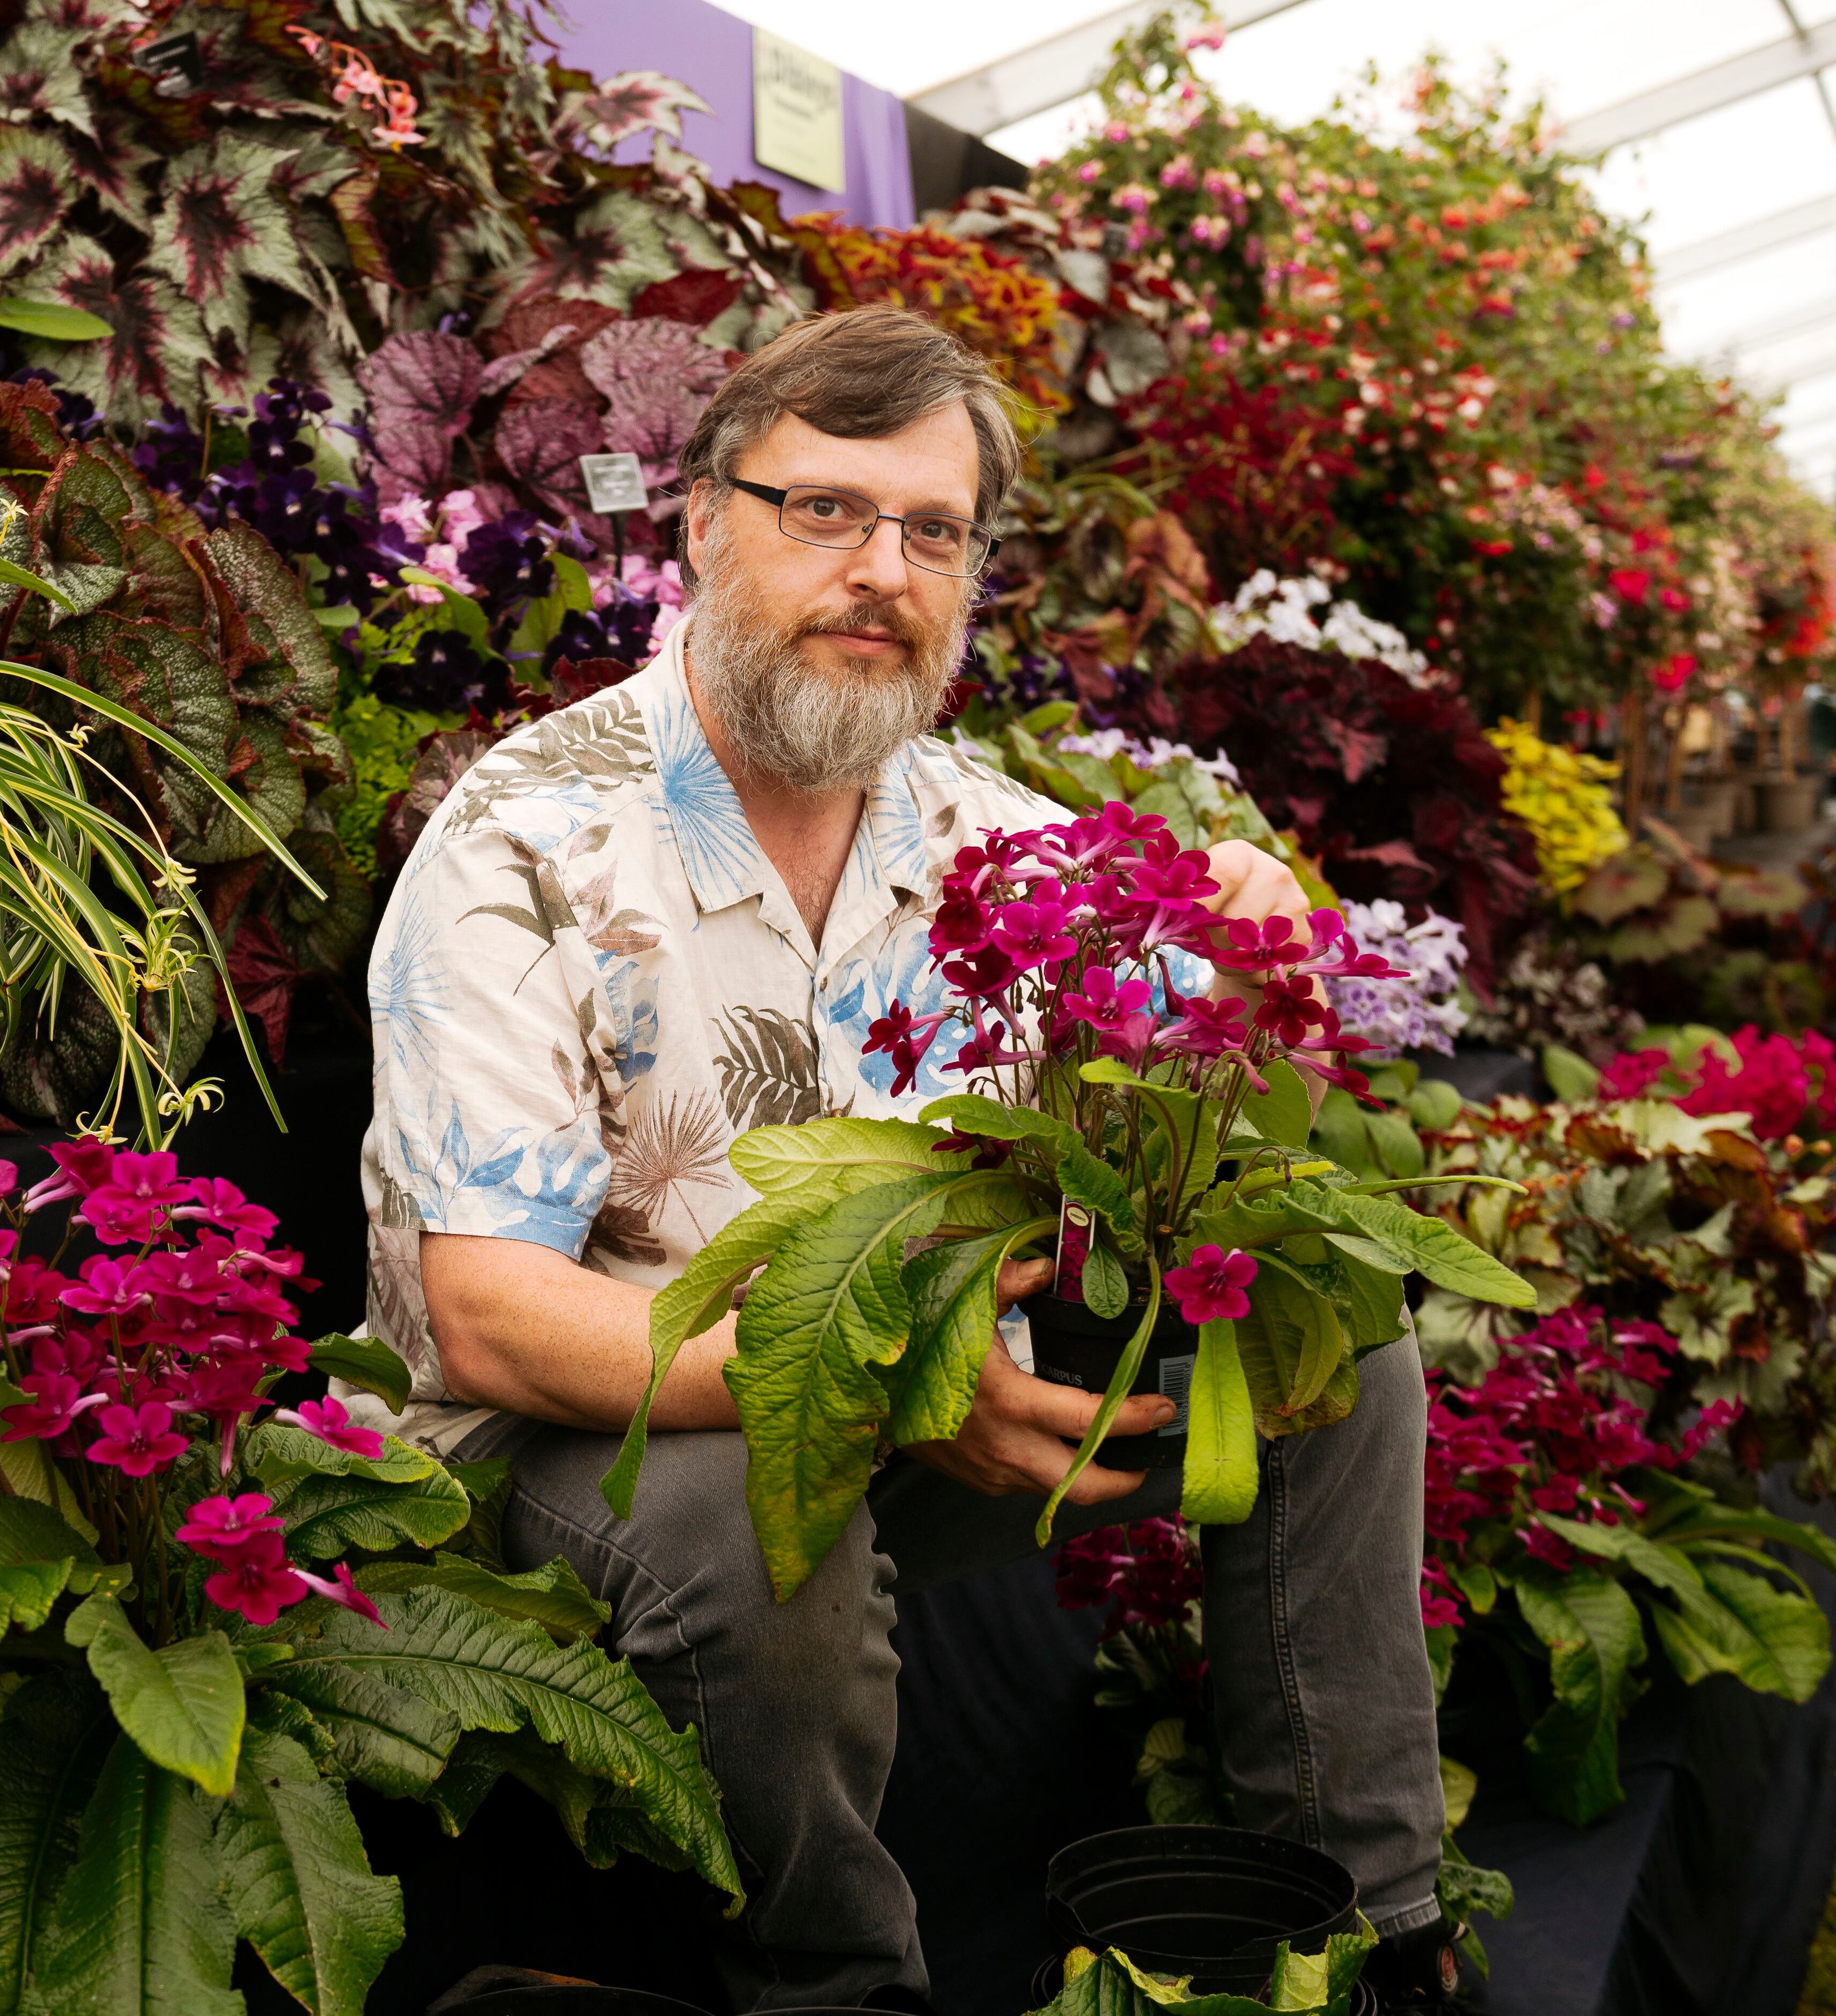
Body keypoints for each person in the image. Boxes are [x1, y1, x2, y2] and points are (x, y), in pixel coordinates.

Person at [352, 305, 1456, 2011]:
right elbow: (491, 1317)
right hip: (578, 1454)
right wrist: (885, 1384)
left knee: (1325, 1339)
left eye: (932, 530)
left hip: (915, 1411)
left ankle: (1359, 1928)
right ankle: (835, 1989)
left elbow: (1218, 1060)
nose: (881, 569)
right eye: (826, 512)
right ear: (706, 521)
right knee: (750, 1519)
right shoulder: (527, 842)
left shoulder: (988, 838)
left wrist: (1257, 946)